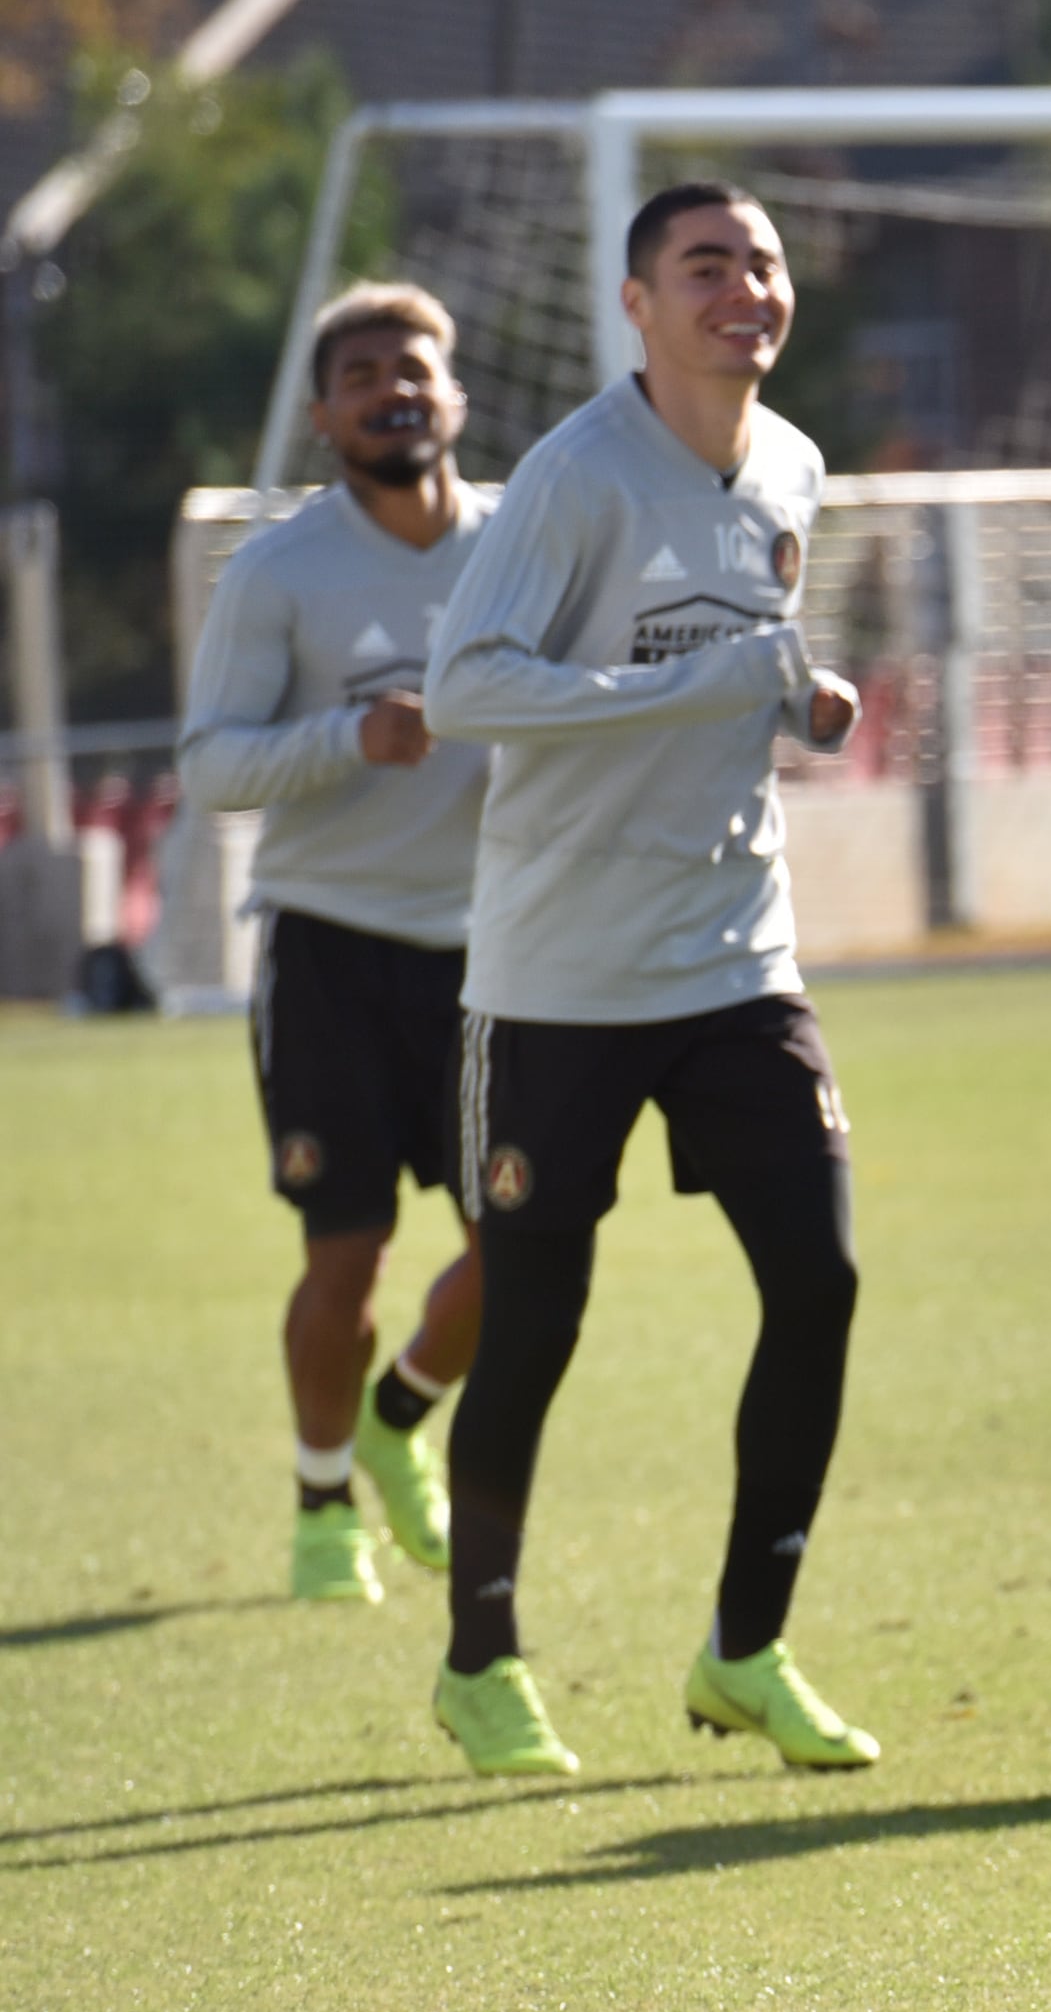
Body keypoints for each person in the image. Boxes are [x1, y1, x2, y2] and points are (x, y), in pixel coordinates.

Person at [417, 181, 874, 1780]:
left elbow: (735, 674)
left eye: (758, 262)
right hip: (559, 980)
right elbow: (466, 687)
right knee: (535, 1323)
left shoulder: (796, 463)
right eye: (705, 266)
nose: (742, 287)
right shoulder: (572, 480)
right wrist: (710, 680)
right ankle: (482, 1658)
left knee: (819, 1281)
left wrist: (790, 695)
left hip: (738, 958)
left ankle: (746, 1648)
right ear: (637, 302)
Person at [179, 286, 496, 1608]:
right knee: (346, 1252)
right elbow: (207, 768)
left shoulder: (526, 545)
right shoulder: (280, 571)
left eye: (411, 366)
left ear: (455, 395)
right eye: (360, 374)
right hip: (330, 959)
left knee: (529, 1247)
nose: (391, 389)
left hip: (497, 957)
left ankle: (398, 1415)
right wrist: (345, 740)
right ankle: (322, 1500)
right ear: (324, 416)